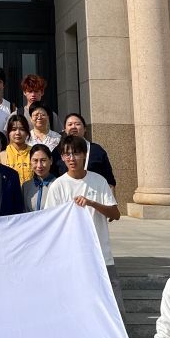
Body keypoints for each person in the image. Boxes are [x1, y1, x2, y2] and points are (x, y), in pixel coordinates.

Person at [45, 134, 124, 316]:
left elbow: (115, 214)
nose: (72, 158)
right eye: (67, 154)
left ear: (84, 155)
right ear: (62, 157)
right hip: (71, 255)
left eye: (76, 153)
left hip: (101, 254)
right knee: (75, 305)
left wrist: (92, 203)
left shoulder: (99, 181)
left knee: (113, 305)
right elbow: (51, 223)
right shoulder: (58, 186)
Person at [52, 112, 116, 188]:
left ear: (85, 128)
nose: (73, 127)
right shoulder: (58, 151)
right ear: (65, 130)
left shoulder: (97, 150)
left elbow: (109, 181)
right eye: (70, 124)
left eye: (77, 124)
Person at [0, 113, 32, 185]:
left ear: (27, 133)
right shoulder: (2, 155)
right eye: (13, 129)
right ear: (9, 133)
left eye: (22, 129)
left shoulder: (33, 152)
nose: (17, 133)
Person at [22, 144, 56, 211]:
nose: (39, 165)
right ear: (30, 162)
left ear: (51, 160)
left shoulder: (58, 184)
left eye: (43, 160)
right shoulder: (26, 186)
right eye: (35, 160)